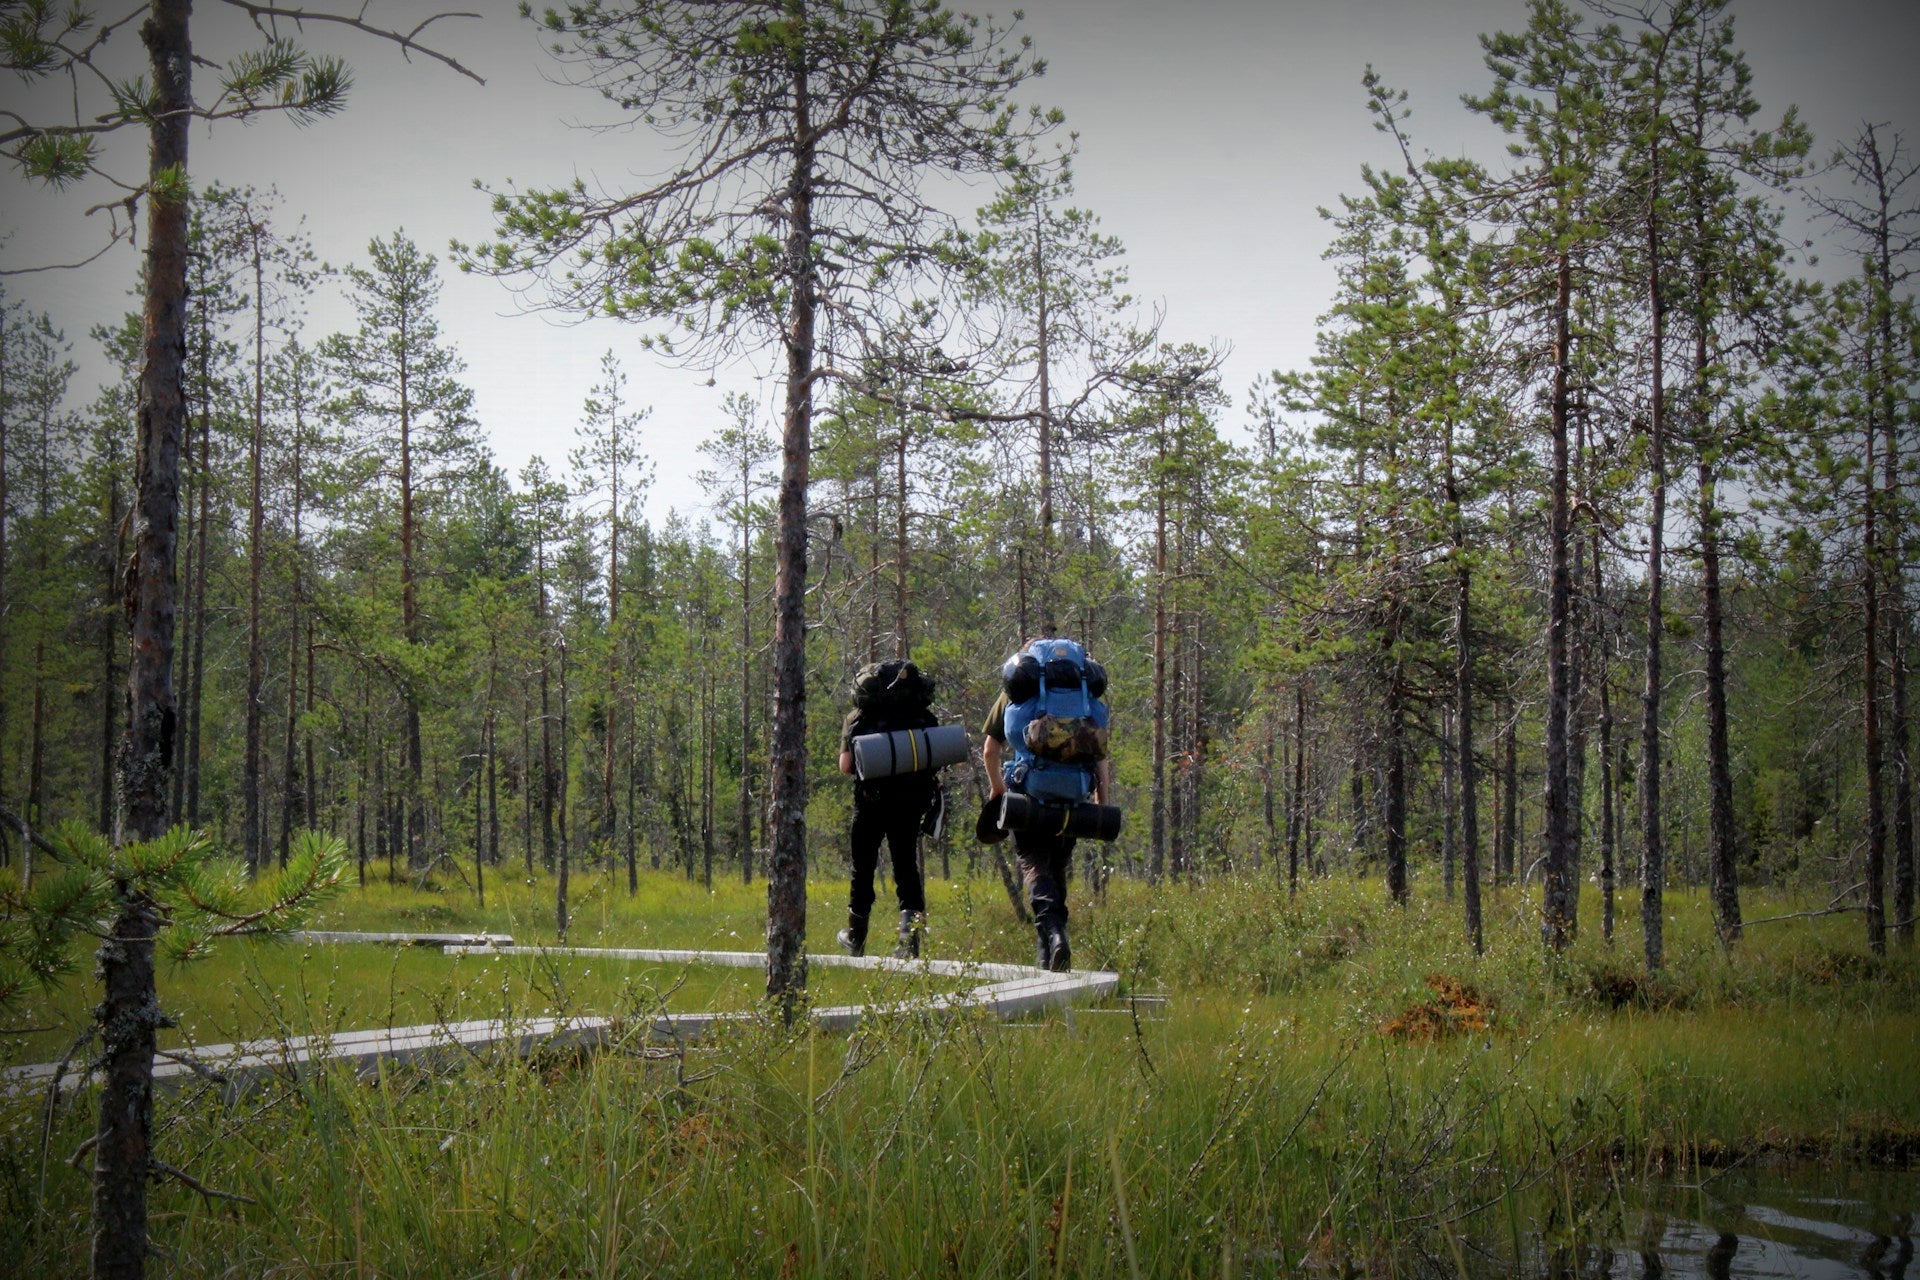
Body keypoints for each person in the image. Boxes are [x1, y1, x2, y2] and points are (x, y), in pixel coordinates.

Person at [982, 630, 1112, 972]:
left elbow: (990, 751)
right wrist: (1101, 798)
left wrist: (998, 790)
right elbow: (1099, 753)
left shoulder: (1014, 698)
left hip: (1029, 791)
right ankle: (1051, 958)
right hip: (1074, 793)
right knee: (1056, 867)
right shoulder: (1083, 700)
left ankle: (1054, 934)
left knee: (1032, 862)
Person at [837, 659, 940, 959]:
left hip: (871, 803)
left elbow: (846, 766)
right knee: (906, 868)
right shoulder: (922, 716)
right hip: (910, 803)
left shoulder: (857, 717)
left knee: (863, 868)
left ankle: (856, 937)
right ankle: (910, 943)